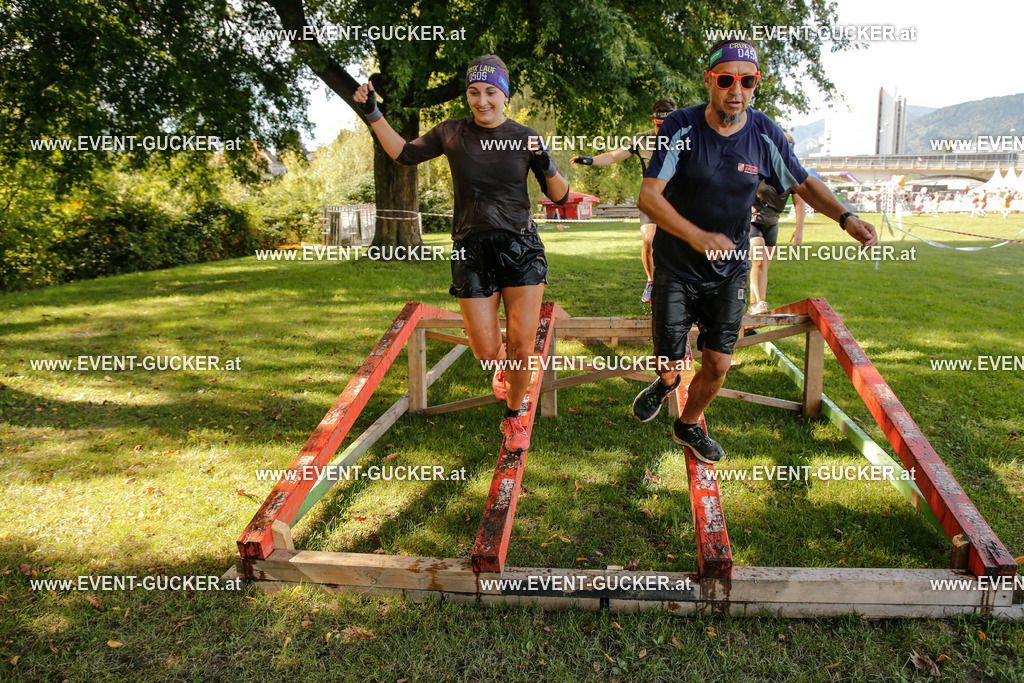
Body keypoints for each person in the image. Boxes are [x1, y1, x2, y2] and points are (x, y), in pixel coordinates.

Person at [631, 38, 878, 464]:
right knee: (669, 361)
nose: (736, 90)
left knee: (717, 366)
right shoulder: (681, 127)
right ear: (709, 80)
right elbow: (649, 197)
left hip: (728, 271)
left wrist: (846, 217)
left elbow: (803, 182)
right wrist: (695, 235)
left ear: (755, 83)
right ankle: (666, 380)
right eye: (726, 80)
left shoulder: (764, 133)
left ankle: (687, 425)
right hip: (677, 265)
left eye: (747, 81)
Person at [353, 55, 569, 454]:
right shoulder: (451, 132)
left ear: (504, 95)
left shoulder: (524, 136)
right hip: (471, 251)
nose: (482, 100)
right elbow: (403, 153)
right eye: (474, 92)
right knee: (487, 350)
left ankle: (514, 416)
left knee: (523, 345)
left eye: (490, 92)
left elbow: (560, 196)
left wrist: (546, 163)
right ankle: (501, 366)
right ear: (467, 95)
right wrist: (373, 114)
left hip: (520, 248)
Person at [570, 98, 678, 303]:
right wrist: (591, 160)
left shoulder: (686, 138)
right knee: (649, 239)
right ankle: (651, 282)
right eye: (658, 124)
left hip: (678, 200)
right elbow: (613, 156)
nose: (662, 128)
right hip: (652, 199)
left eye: (667, 124)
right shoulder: (642, 139)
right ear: (653, 120)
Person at [747, 146, 805, 315]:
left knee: (763, 266)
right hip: (753, 221)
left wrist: (799, 229)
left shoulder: (790, 172)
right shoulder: (759, 168)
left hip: (772, 223)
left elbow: (799, 202)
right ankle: (761, 303)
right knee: (759, 261)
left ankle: (753, 305)